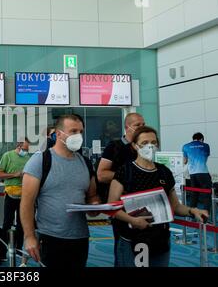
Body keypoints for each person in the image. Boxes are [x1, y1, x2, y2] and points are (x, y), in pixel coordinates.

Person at [108, 126, 208, 267]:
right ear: (135, 146)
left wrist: (192, 211)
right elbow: (112, 207)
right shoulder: (125, 171)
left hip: (160, 239)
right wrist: (132, 220)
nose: (150, 146)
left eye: (153, 142)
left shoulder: (164, 172)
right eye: (144, 143)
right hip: (132, 238)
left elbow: (175, 206)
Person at [20, 115, 100, 268]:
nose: (78, 136)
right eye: (73, 131)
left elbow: (92, 195)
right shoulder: (41, 160)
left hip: (80, 237)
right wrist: (29, 236)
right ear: (58, 134)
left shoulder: (85, 163)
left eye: (81, 132)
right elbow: (27, 203)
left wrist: (94, 205)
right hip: (50, 237)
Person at [96, 112, 145, 266]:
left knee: (142, 246)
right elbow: (101, 174)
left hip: (142, 203)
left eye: (143, 125)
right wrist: (129, 176)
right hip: (121, 205)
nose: (141, 128)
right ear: (127, 127)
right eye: (137, 125)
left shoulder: (143, 147)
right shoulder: (115, 146)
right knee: (124, 246)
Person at [0, 138, 31, 260]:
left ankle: (18, 249)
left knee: (22, 224)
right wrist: (14, 175)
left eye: (28, 149)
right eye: (25, 149)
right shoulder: (8, 156)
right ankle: (1, 251)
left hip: (24, 195)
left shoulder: (28, 158)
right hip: (10, 194)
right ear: (19, 146)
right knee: (7, 223)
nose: (26, 151)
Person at [182, 132, 213, 212]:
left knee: (194, 194)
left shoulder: (185, 146)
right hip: (203, 172)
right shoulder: (206, 145)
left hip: (192, 174)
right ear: (202, 139)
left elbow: (185, 161)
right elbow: (205, 159)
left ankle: (192, 214)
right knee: (207, 195)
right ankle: (206, 215)